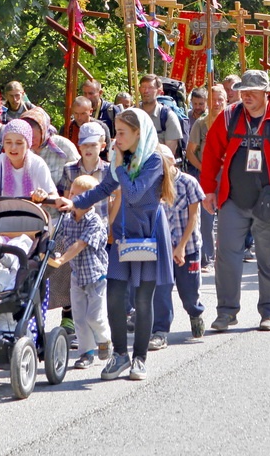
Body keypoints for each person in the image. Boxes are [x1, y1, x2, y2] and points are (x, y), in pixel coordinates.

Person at [59, 108, 174, 381]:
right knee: (114, 297)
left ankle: (140, 360)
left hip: (148, 234)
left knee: (144, 300)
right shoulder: (120, 160)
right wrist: (73, 203)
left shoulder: (154, 159)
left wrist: (120, 164)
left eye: (121, 133)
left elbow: (133, 195)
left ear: (138, 133)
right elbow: (101, 190)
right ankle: (120, 355)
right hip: (123, 234)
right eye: (116, 132)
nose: (116, 138)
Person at [199, 70, 270, 331]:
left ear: (266, 93)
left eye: (252, 92)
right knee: (226, 257)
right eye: (242, 91)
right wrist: (208, 190)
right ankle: (226, 312)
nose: (246, 96)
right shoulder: (229, 116)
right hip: (233, 200)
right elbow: (212, 154)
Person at [51, 174, 111, 370]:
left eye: (79, 196)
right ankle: (86, 353)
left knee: (94, 316)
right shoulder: (67, 219)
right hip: (77, 276)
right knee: (79, 317)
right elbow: (57, 237)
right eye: (72, 194)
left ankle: (104, 340)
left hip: (95, 277)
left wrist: (61, 260)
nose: (73, 199)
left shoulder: (95, 222)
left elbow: (79, 245)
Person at [149, 143, 206, 349]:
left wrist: (181, 247)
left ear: (172, 161)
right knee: (161, 291)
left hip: (188, 247)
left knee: (189, 292)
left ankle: (195, 312)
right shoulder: (153, 185)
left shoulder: (189, 183)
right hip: (162, 249)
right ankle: (160, 330)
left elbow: (193, 218)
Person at [185, 84, 227, 268]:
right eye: (213, 99)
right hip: (207, 177)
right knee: (206, 219)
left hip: (230, 176)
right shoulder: (201, 124)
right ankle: (207, 258)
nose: (216, 103)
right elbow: (190, 152)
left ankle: (227, 256)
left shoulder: (233, 122)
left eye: (220, 99)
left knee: (228, 219)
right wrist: (204, 168)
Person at [0, 119, 59, 209]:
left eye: (19, 143)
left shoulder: (38, 163)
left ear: (28, 144)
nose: (13, 148)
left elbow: (55, 200)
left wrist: (44, 196)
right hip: (4, 217)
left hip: (32, 217)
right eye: (8, 142)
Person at [20, 106, 79, 194]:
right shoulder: (18, 148)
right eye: (26, 136)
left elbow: (78, 175)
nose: (30, 141)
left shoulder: (63, 146)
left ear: (43, 132)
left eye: (33, 137)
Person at [137, 74, 184, 156]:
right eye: (143, 87)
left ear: (159, 92)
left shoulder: (168, 116)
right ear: (139, 89)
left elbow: (169, 154)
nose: (146, 91)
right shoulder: (132, 114)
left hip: (159, 165)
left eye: (150, 87)